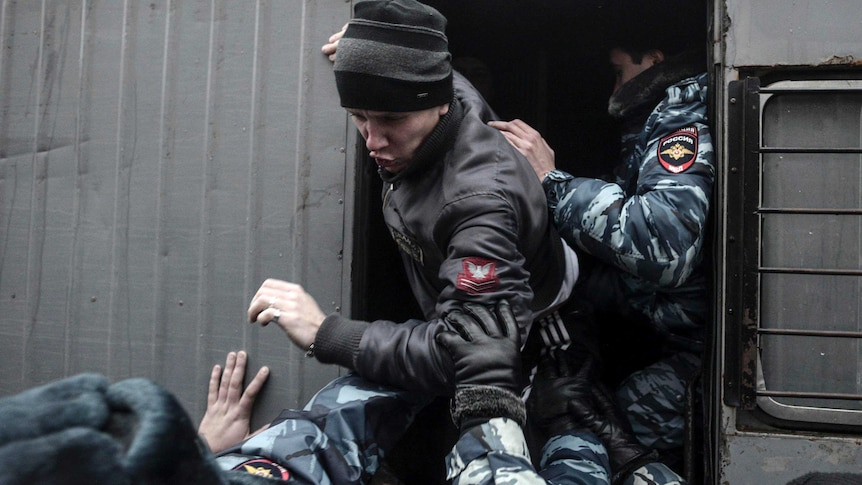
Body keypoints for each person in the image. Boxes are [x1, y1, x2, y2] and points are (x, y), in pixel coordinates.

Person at [246, 0, 589, 481]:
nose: (373, 140)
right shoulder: (436, 93)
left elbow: (466, 353)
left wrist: (327, 333)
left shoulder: (478, 204)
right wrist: (376, 48)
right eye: (359, 115)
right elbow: (423, 71)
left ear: (439, 104)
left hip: (534, 329)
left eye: (390, 119)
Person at [488, 0, 714, 480]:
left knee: (592, 431)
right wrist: (564, 290)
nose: (614, 88)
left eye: (618, 72)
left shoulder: (683, 119)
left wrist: (552, 182)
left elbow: (664, 247)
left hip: (710, 357)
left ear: (653, 61)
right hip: (684, 334)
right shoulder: (661, 118)